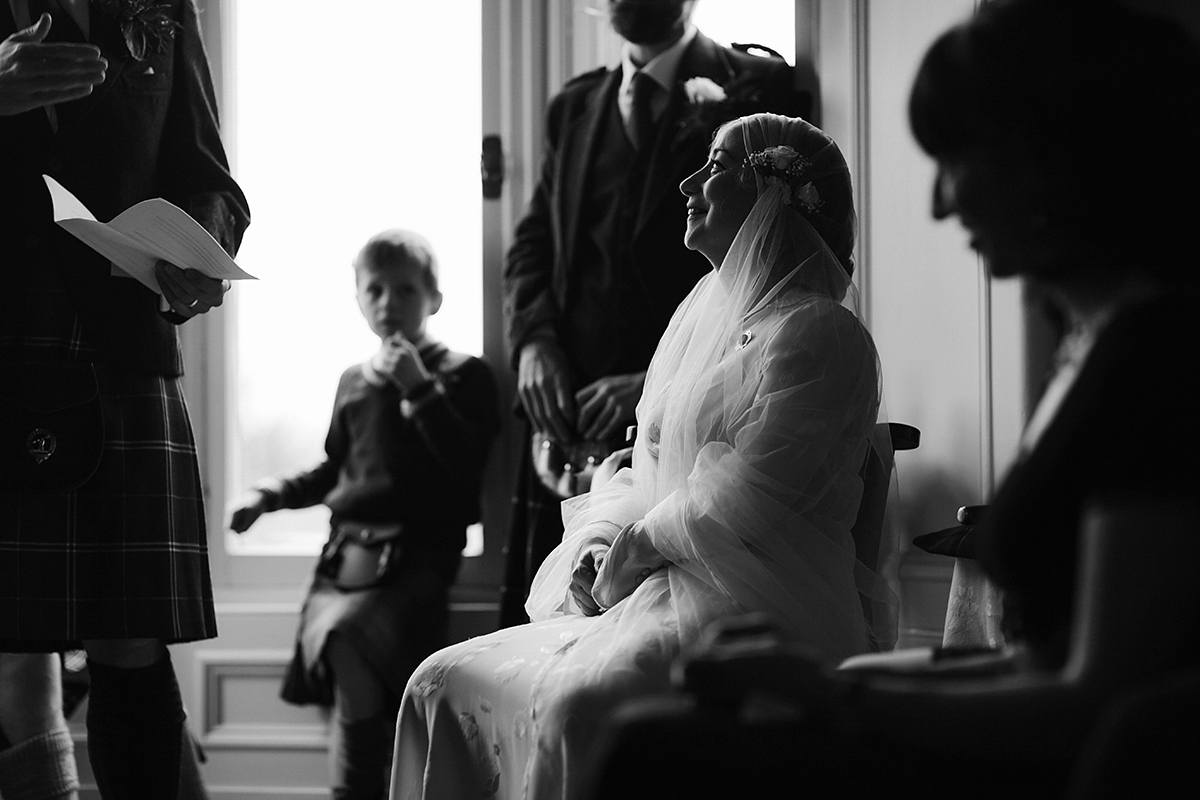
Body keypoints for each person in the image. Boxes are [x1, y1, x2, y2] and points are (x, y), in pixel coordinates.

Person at [587, 2, 1200, 798]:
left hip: (1077, 767)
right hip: (1044, 729)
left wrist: (835, 695)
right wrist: (833, 680)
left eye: (961, 159)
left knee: (651, 751)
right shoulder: (1099, 344)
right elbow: (1037, 662)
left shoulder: (1158, 362)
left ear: (1057, 157)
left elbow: (1094, 705)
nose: (943, 204)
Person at [390, 112, 892, 800]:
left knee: (584, 708)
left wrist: (637, 546)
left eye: (716, 167)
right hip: (653, 589)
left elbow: (749, 494)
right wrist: (595, 542)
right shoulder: (704, 330)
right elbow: (644, 468)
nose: (688, 182)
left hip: (751, 607)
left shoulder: (822, 334)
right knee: (435, 680)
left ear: (778, 195)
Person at [0, 1, 249, 798]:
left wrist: (199, 253)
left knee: (132, 647)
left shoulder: (164, 5)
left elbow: (211, 182)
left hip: (120, 353)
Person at [500, 0, 811, 626]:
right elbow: (534, 243)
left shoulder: (760, 86)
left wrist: (664, 382)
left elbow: (781, 255)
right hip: (569, 423)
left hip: (693, 432)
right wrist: (534, 343)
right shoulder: (574, 105)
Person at [226, 230, 500, 800]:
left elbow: (466, 464)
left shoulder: (465, 374)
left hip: (418, 558)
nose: (388, 301)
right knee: (345, 659)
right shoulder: (352, 381)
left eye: (405, 288)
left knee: (350, 642)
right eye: (373, 289)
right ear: (357, 300)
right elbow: (332, 471)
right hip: (347, 559)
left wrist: (420, 391)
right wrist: (268, 496)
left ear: (435, 298)